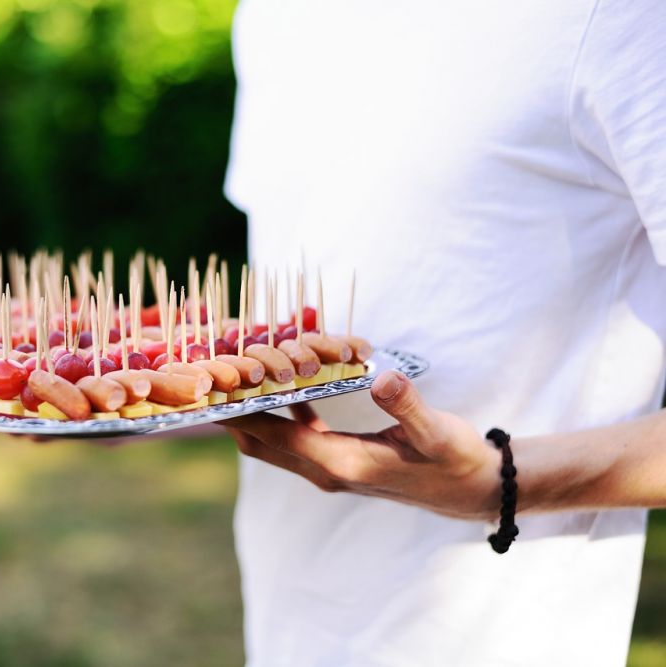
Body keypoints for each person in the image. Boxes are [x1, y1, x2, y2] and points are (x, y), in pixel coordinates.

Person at [220, 2, 666, 665]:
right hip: (288, 621)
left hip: (505, 632)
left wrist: (501, 481)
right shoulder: (270, 14)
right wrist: (139, 403)